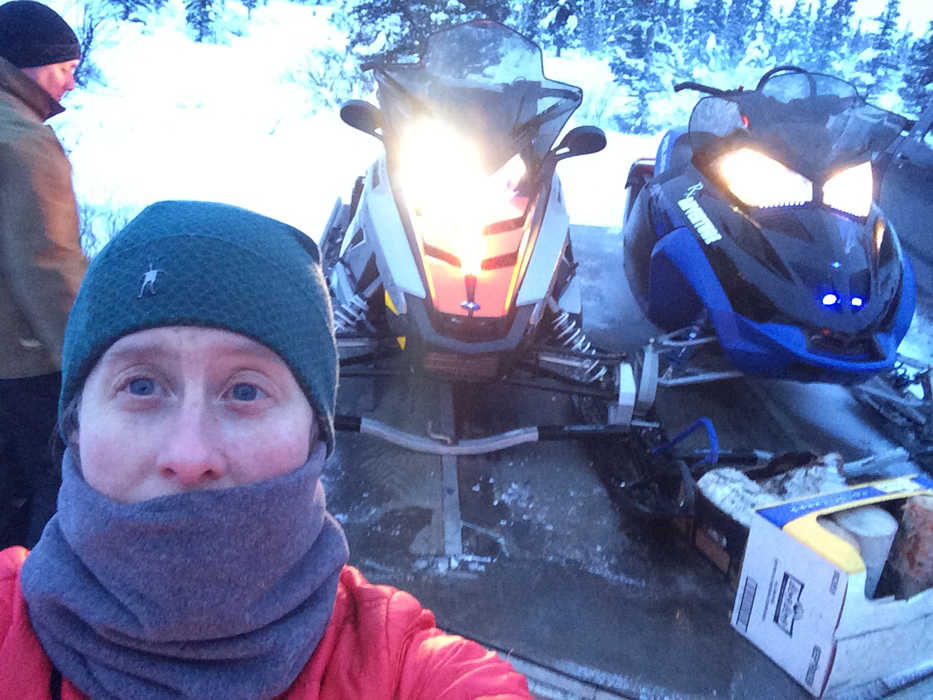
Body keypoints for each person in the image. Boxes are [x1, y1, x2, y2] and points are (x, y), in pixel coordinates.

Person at [0, 200, 532, 699]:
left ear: (314, 438)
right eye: (141, 386)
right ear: (75, 422)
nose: (190, 456)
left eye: (246, 391)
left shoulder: (406, 673)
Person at [0, 1, 87, 549]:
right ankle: (33, 615)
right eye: (65, 69)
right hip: (24, 365)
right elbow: (47, 264)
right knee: (53, 493)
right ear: (29, 63)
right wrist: (88, 358)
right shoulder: (23, 141)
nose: (71, 85)